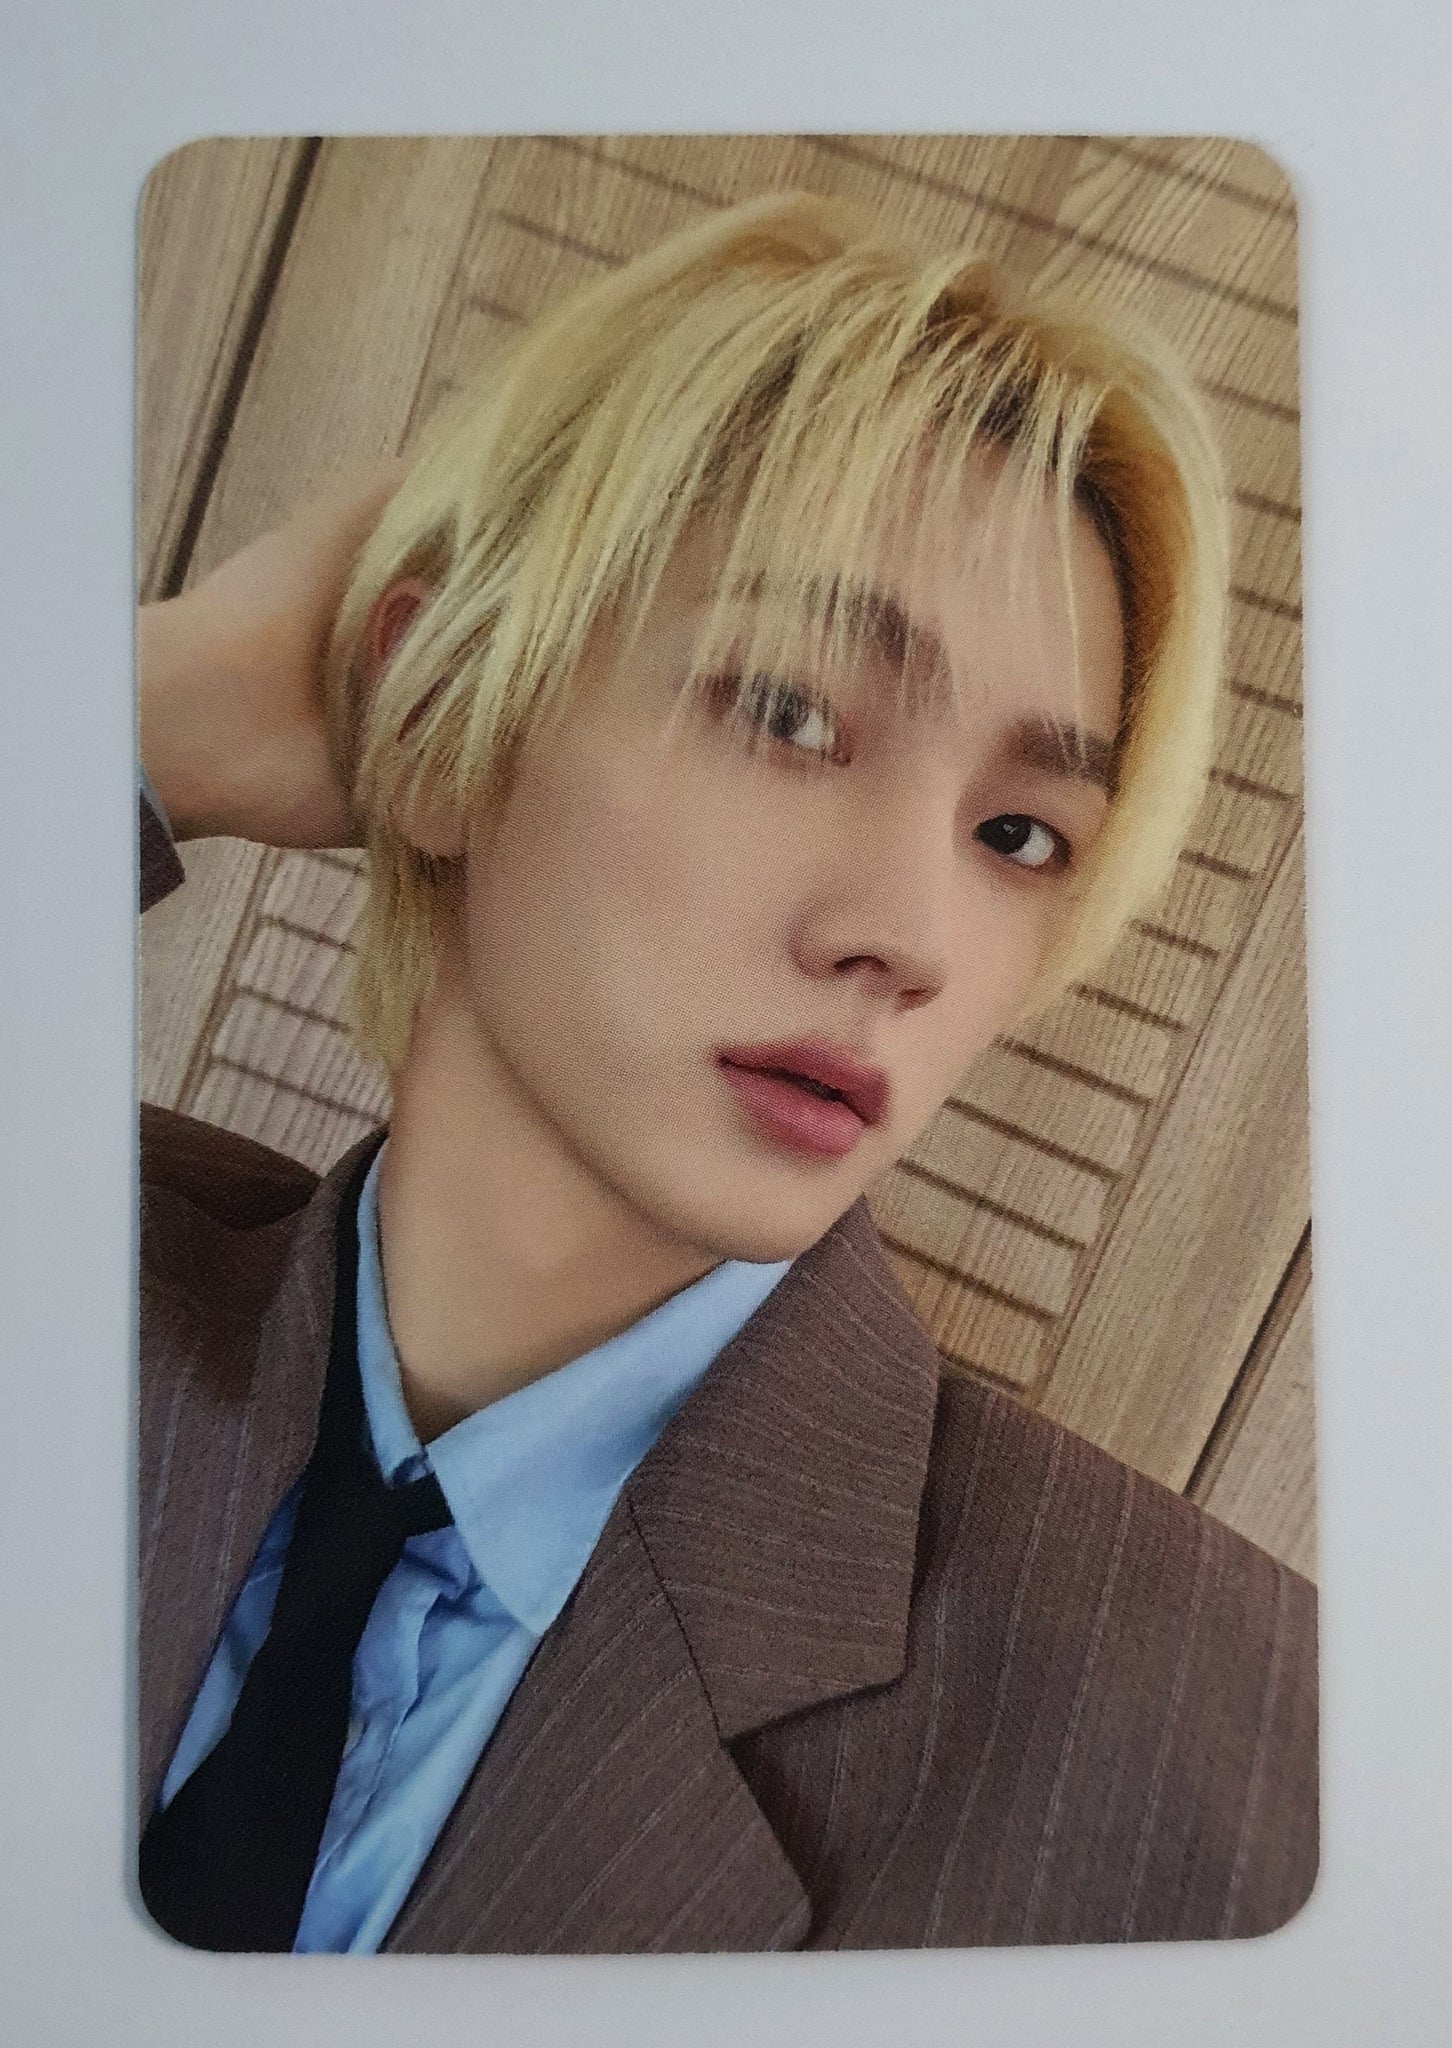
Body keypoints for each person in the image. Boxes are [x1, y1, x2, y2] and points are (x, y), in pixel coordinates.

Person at [134, 191, 1316, 1954]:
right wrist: (144, 724)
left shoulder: (1245, 1770)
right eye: (788, 710)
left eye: (1019, 834)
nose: (909, 936)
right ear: (445, 720)